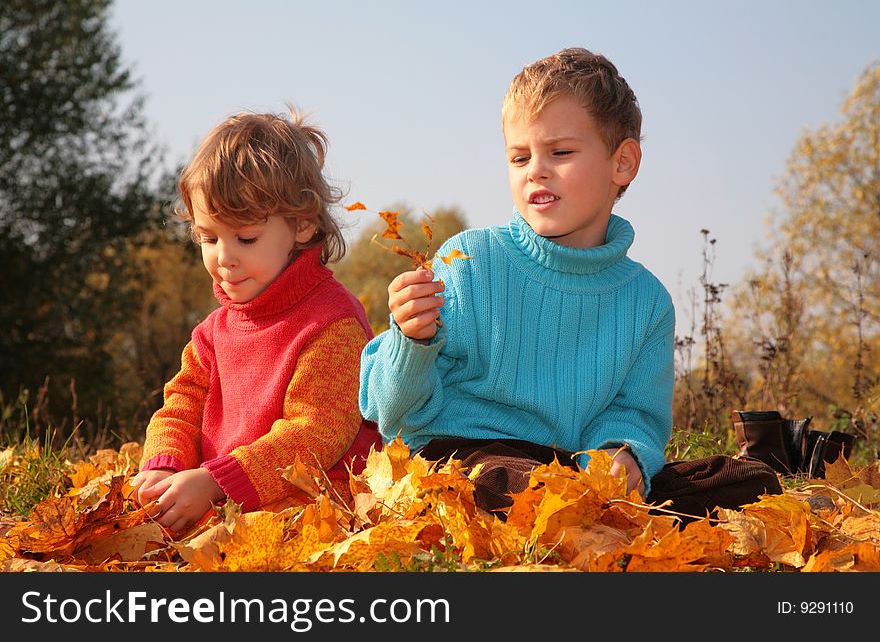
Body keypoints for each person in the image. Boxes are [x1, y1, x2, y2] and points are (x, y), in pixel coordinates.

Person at [359, 47, 675, 517]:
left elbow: (636, 414)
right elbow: (392, 416)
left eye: (561, 152)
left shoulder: (647, 303)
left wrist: (622, 455)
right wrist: (410, 341)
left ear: (623, 163)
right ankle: (557, 505)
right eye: (519, 157)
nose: (536, 171)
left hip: (564, 468)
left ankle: (574, 504)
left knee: (738, 481)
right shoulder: (470, 261)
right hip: (463, 459)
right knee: (499, 479)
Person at [132, 110, 380, 532]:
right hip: (221, 502)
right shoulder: (213, 332)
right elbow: (181, 407)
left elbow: (314, 435)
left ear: (302, 225)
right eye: (208, 238)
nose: (224, 257)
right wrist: (164, 463)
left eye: (245, 238)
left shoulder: (332, 323)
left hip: (316, 512)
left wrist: (214, 482)